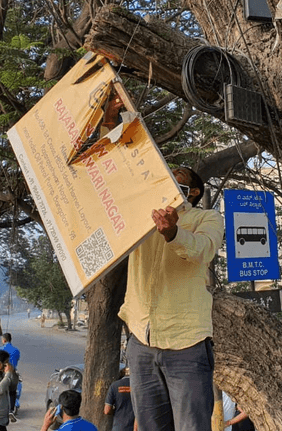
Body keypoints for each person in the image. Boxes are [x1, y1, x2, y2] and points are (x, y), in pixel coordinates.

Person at [119, 166, 224, 431]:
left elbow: (203, 250)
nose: (170, 179)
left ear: (194, 191)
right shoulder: (143, 215)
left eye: (179, 178)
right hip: (141, 342)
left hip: (186, 344)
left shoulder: (207, 218)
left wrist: (173, 234)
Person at [0, 333, 21, 420]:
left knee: (1, 391)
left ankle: (2, 409)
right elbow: (17, 359)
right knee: (13, 392)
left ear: (4, 340)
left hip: (2, 374)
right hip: (13, 373)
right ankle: (11, 410)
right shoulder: (16, 350)